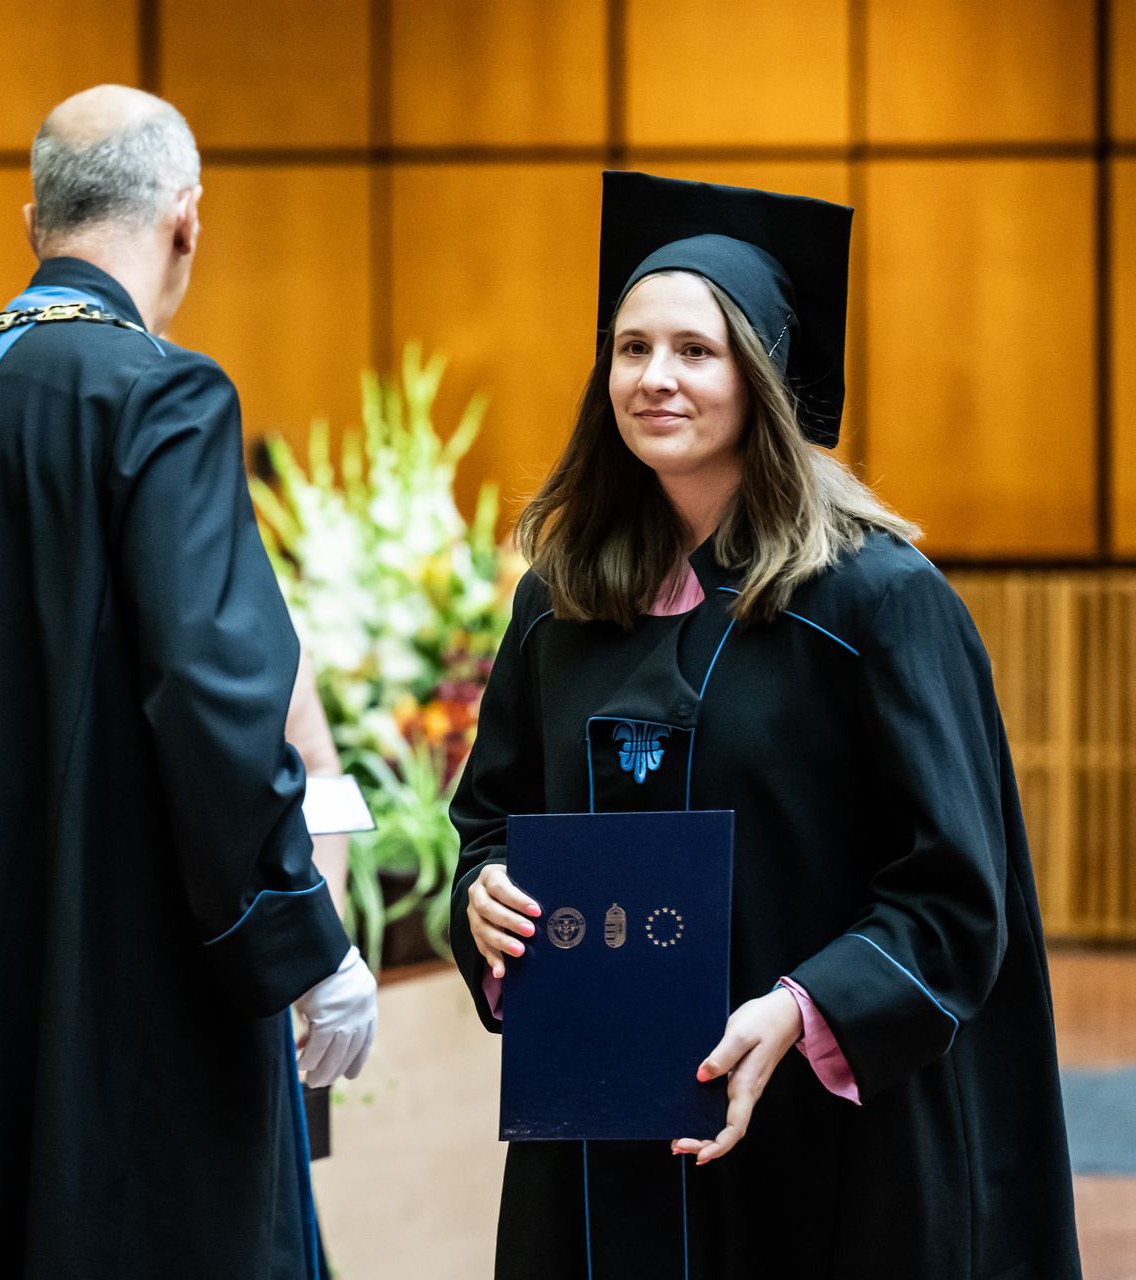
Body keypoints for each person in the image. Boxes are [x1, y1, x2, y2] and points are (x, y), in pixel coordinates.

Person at [447, 171, 1081, 1279]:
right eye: (632, 349)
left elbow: (952, 893)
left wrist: (800, 1009)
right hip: (600, 1132)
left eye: (695, 350)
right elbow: (492, 819)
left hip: (816, 1133)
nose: (655, 377)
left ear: (763, 378)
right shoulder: (562, 600)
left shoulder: (875, 603)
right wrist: (486, 895)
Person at [0, 85, 376, 1280]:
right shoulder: (159, 393)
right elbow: (216, 700)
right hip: (138, 987)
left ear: (32, 221)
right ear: (187, 217)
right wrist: (307, 941)